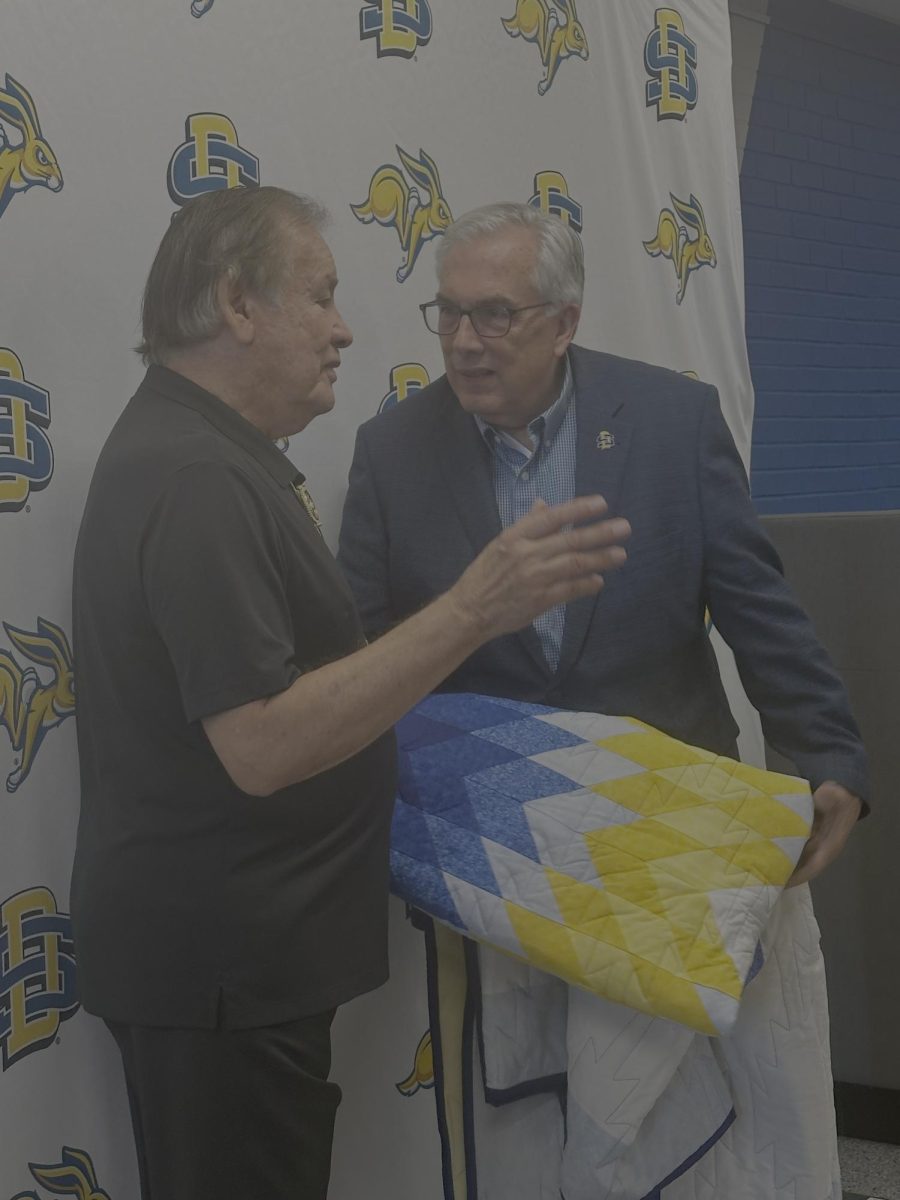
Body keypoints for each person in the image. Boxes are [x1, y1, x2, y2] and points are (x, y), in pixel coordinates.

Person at [70, 187, 631, 1200]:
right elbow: (265, 745)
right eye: (320, 296)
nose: (343, 329)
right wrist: (472, 610)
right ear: (238, 306)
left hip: (234, 974)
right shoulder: (197, 476)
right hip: (222, 981)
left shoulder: (212, 455)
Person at [337, 201, 868, 889]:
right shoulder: (392, 451)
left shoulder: (672, 423)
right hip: (491, 845)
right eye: (449, 311)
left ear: (563, 323)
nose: (463, 340)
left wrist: (831, 757)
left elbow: (762, 615)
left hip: (668, 828)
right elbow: (357, 656)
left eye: (494, 314)